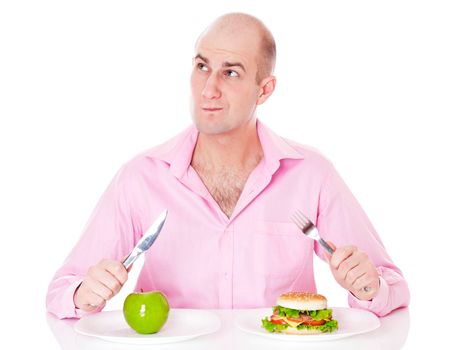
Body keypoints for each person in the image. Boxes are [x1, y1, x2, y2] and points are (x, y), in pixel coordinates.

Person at [46, 13, 410, 319]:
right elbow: (62, 291)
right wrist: (84, 294)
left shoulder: (313, 175)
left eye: (231, 73)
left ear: (264, 90)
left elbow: (390, 285)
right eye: (202, 67)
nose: (208, 89)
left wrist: (367, 285)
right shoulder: (140, 177)